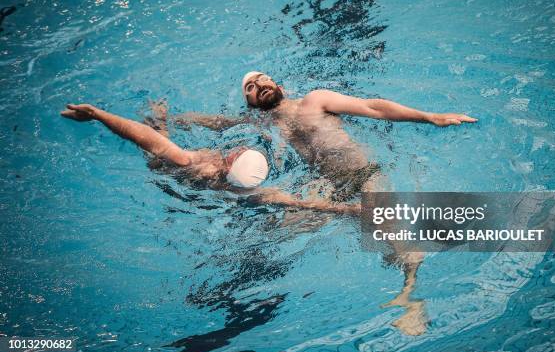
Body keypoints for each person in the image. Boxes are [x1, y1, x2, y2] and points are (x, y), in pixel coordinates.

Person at [172, 71, 478, 335]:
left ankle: (410, 297)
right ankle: (231, 287)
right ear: (250, 104)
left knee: (387, 228)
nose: (259, 84)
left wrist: (428, 117)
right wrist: (167, 122)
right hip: (329, 187)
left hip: (362, 174)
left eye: (263, 79)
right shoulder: (264, 127)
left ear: (281, 87)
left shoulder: (314, 101)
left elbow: (372, 107)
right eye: (250, 87)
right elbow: (217, 123)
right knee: (276, 230)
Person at [60, 102, 358, 215]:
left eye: (238, 152)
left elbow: (143, 137)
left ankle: (160, 118)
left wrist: (98, 114)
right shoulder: (257, 192)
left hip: (168, 173)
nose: (238, 148)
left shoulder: (195, 163)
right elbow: (306, 204)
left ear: (228, 162)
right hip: (200, 193)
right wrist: (354, 211)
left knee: (158, 149)